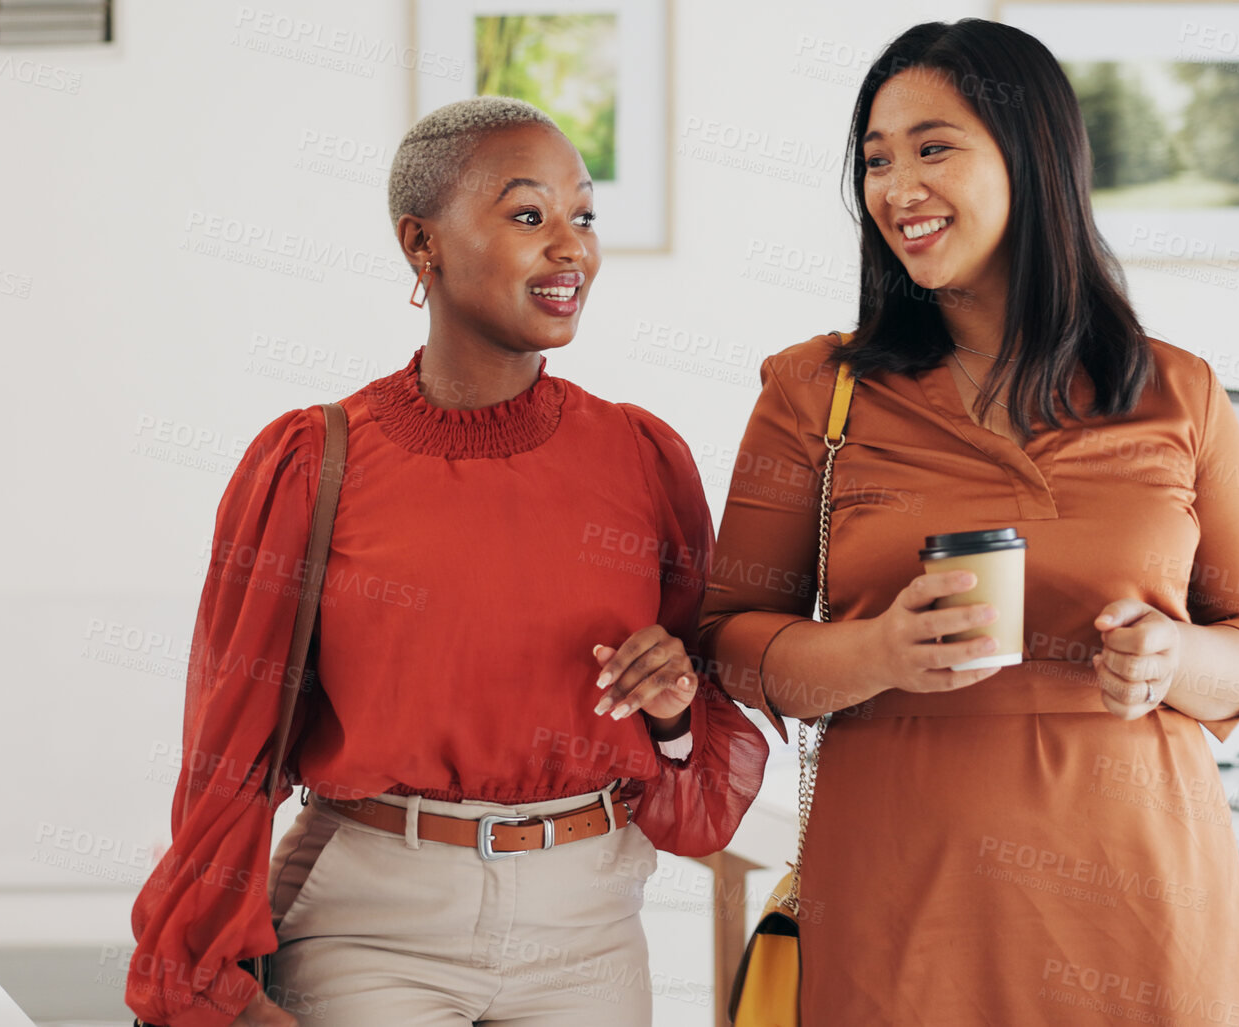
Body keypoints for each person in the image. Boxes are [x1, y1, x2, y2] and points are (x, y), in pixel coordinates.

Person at [696, 20, 1239, 1026]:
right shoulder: (817, 392)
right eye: (876, 160)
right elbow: (731, 642)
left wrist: (1176, 659)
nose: (897, 188)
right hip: (903, 901)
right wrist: (879, 651)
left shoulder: (1176, 392)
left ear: (1035, 157)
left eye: (934, 147)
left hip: (1141, 900)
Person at [126, 96, 767, 1027]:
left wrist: (671, 714)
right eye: (527, 215)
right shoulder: (312, 462)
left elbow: (694, 763)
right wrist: (199, 972)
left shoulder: (640, 457)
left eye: (582, 216)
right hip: (368, 930)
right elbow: (230, 744)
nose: (570, 248)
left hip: (586, 933)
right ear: (421, 244)